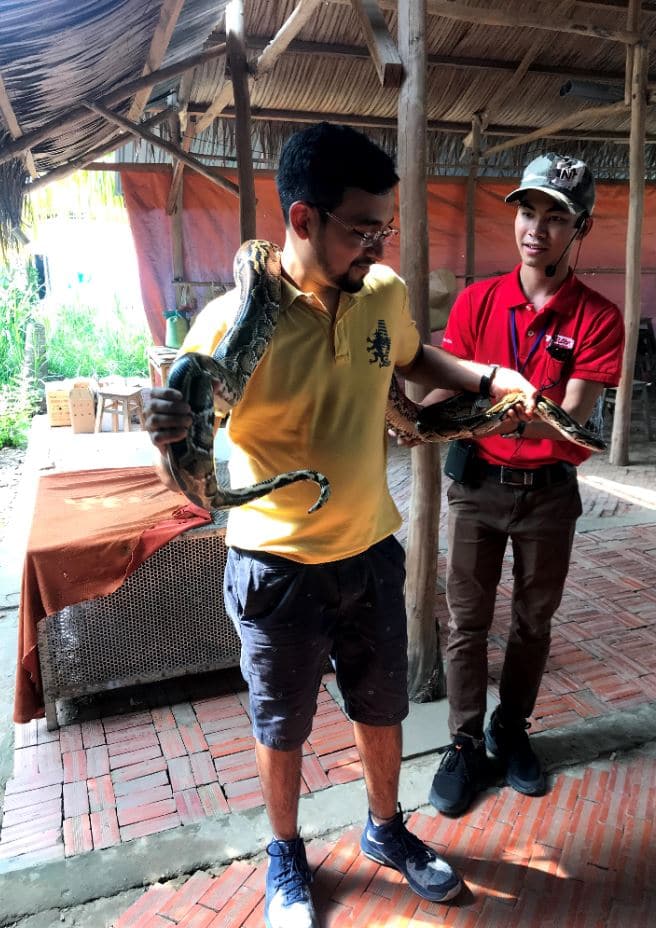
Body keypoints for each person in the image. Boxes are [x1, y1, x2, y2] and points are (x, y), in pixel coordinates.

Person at [143, 122, 536, 928]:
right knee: (281, 722)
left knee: (381, 705)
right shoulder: (225, 332)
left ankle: (386, 830)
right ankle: (286, 851)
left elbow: (413, 358)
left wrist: (492, 377)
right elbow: (182, 478)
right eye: (361, 230)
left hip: (371, 552)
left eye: (383, 228)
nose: (376, 246)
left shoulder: (381, 290)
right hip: (276, 567)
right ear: (301, 219)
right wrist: (166, 436)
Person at [427, 153, 625, 818]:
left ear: (581, 227)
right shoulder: (477, 301)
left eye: (555, 216)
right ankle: (462, 744)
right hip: (477, 486)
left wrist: (515, 409)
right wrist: (405, 379)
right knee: (467, 621)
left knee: (533, 622)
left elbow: (571, 421)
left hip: (547, 492)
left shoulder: (598, 318)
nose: (535, 228)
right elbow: (438, 386)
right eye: (526, 211)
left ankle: (509, 730)